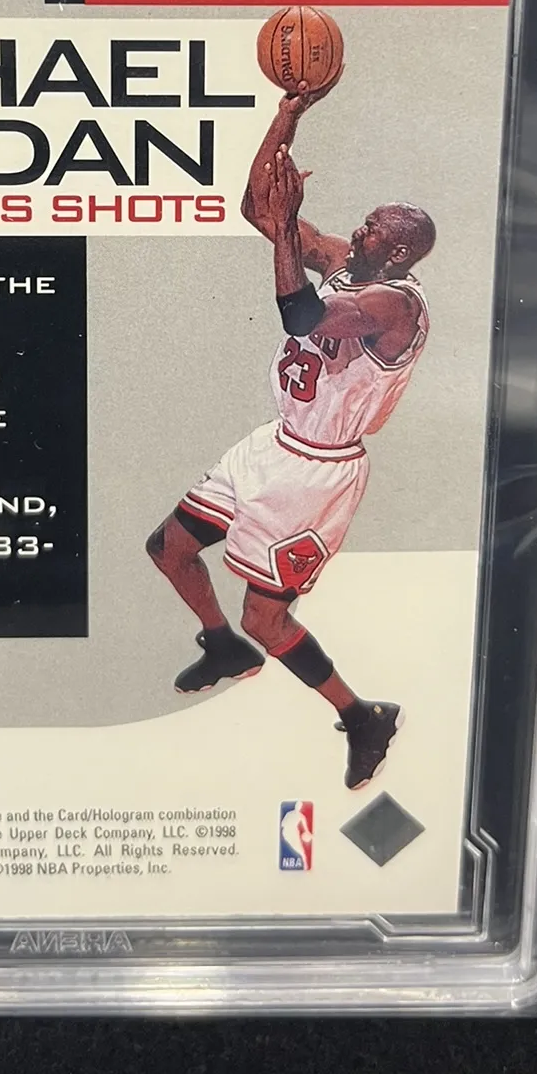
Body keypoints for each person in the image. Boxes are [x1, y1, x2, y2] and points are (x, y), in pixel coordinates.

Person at [145, 84, 434, 790]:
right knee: (169, 548)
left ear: (398, 251)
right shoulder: (344, 261)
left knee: (267, 620)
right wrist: (287, 116)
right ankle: (221, 647)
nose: (359, 230)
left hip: (318, 474)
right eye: (363, 223)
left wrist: (285, 230)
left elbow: (301, 317)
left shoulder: (393, 304)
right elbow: (258, 208)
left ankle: (362, 716)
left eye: (372, 228)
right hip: (273, 444)